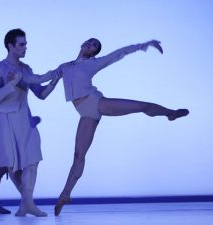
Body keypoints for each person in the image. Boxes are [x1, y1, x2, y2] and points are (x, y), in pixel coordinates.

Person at [54, 38, 189, 216]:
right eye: (89, 41)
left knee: (142, 106)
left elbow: (118, 54)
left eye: (94, 45)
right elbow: (44, 78)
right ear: (82, 44)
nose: (90, 44)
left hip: (97, 103)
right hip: (85, 114)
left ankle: (170, 113)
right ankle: (65, 195)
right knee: (78, 157)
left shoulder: (94, 63)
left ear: (95, 52)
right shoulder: (65, 66)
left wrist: (143, 45)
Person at [0, 28, 61, 217]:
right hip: (6, 121)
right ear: (11, 46)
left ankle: (27, 204)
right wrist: (12, 83)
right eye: (21, 44)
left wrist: (53, 82)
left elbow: (41, 94)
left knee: (32, 161)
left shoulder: (26, 69)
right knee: (12, 165)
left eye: (25, 44)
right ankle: (28, 204)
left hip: (24, 119)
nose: (25, 47)